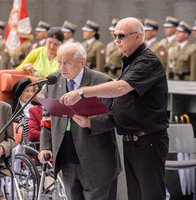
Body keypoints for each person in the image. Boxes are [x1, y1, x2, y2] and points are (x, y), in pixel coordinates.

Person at [60, 18, 169, 200]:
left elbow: (120, 89)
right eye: (114, 36)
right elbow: (124, 106)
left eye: (121, 36)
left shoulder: (147, 62)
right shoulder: (130, 62)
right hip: (132, 141)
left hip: (148, 141)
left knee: (150, 195)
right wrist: (91, 121)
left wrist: (81, 92)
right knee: (136, 195)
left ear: (138, 36)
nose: (116, 40)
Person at [38, 42, 121, 200]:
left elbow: (116, 117)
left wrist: (91, 122)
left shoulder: (102, 81)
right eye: (59, 61)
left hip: (97, 162)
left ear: (82, 62)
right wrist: (46, 147)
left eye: (66, 62)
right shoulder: (54, 82)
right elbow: (47, 117)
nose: (61, 67)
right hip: (68, 160)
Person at [6, 78, 39, 144]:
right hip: (20, 138)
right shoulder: (10, 104)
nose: (30, 94)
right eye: (27, 91)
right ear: (20, 92)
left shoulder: (37, 105)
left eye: (31, 91)